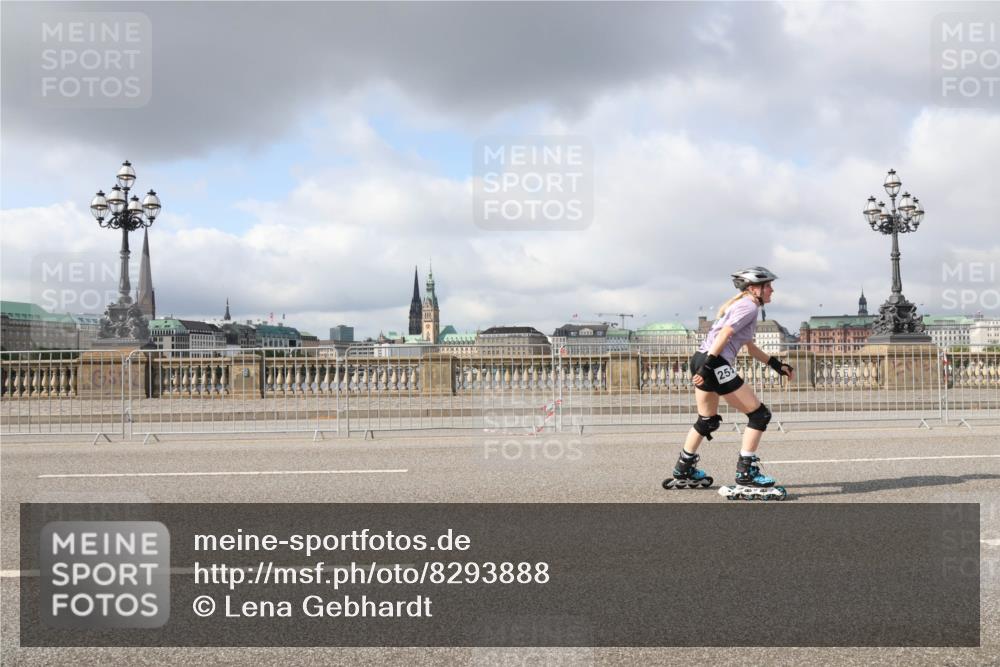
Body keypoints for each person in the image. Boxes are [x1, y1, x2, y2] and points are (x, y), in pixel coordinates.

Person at [662, 267, 795, 500]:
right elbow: (725, 334)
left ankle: (684, 468)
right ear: (755, 289)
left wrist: (776, 365)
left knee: (707, 420)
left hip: (701, 357)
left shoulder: (741, 306)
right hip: (715, 362)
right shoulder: (749, 306)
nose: (772, 289)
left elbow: (750, 347)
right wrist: (709, 366)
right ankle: (746, 473)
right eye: (768, 285)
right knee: (759, 415)